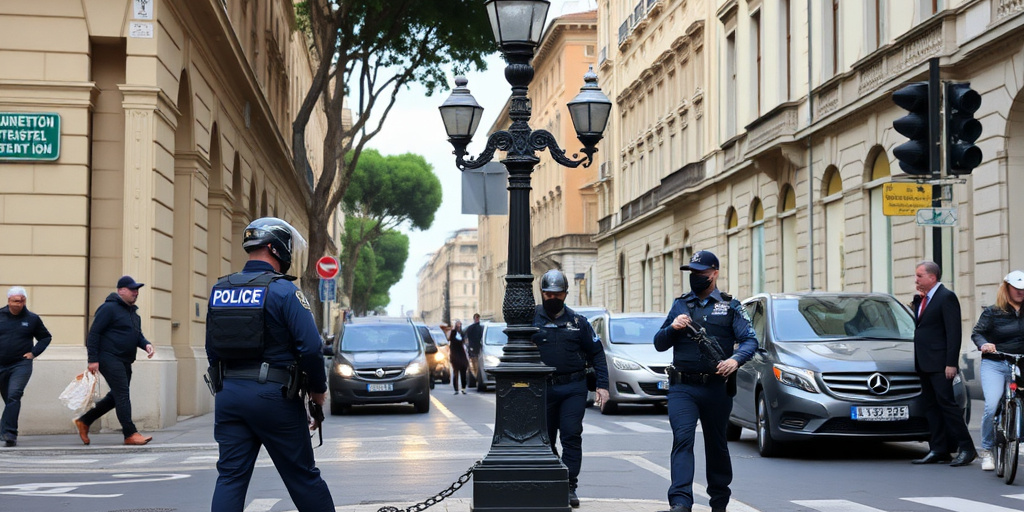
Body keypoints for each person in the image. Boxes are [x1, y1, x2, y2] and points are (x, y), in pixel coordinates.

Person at [206, 217, 334, 512]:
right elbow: (311, 347)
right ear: (277, 249)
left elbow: (212, 348)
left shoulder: (221, 289)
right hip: (273, 396)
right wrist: (317, 390)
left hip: (229, 395)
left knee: (230, 478)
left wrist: (227, 385)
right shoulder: (285, 291)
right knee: (302, 476)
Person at [653, 250, 756, 512]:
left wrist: (735, 360)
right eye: (692, 272)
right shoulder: (680, 305)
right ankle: (680, 502)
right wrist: (672, 327)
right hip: (682, 386)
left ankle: (719, 502)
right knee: (683, 439)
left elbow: (750, 340)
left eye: (701, 272)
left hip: (716, 387)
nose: (695, 277)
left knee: (716, 444)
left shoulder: (731, 306)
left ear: (714, 274)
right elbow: (659, 343)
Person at [532, 269, 609, 508]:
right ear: (542, 293)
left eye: (558, 294)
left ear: (566, 293)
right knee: (545, 439)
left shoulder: (578, 322)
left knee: (571, 434)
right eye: (549, 294)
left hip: (573, 387)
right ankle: (553, 478)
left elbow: (597, 353)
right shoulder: (530, 320)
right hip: (542, 389)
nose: (553, 298)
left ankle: (569, 485)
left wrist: (603, 386)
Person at [74, 276, 155, 446]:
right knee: (122, 394)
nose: (136, 293)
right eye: (132, 289)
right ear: (121, 291)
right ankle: (130, 433)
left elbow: (137, 335)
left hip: (125, 359)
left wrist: (146, 344)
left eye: (137, 290)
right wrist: (93, 359)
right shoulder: (108, 309)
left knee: (116, 396)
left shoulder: (133, 313)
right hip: (109, 357)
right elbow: (94, 333)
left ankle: (85, 421)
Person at [910, 260, 976, 467]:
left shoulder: (946, 297)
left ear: (932, 277)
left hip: (940, 363)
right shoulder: (924, 299)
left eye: (919, 276)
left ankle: (967, 448)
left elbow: (953, 332)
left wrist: (951, 363)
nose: (916, 279)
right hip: (924, 362)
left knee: (948, 405)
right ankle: (938, 449)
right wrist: (917, 302)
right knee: (931, 406)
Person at [971, 270, 1024, 471]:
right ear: (1007, 288)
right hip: (996, 363)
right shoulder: (993, 312)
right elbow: (978, 333)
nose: (1020, 292)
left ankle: (1019, 437)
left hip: (1021, 362)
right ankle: (987, 450)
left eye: (1023, 289)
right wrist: (984, 344)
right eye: (1016, 288)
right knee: (992, 405)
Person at [0, 286, 52, 447]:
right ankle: (5, 429)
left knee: (14, 395)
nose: (19, 304)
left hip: (20, 364)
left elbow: (45, 337)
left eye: (22, 301)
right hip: (1, 363)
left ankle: (10, 433)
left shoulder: (32, 319)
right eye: (16, 301)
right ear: (9, 301)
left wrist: (33, 353)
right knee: (9, 399)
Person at [448, 320, 469, 394]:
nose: (458, 325)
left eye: (459, 324)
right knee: (456, 372)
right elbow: (451, 343)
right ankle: (456, 389)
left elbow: (464, 342)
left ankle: (463, 388)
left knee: (463, 372)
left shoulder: (462, 333)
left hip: (462, 355)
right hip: (455, 355)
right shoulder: (453, 332)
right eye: (457, 324)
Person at [465, 313, 484, 388]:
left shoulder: (479, 328)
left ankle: (477, 377)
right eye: (476, 318)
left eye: (478, 318)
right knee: (474, 365)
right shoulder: (472, 328)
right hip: (474, 350)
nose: (477, 319)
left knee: (476, 365)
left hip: (478, 349)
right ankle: (476, 377)